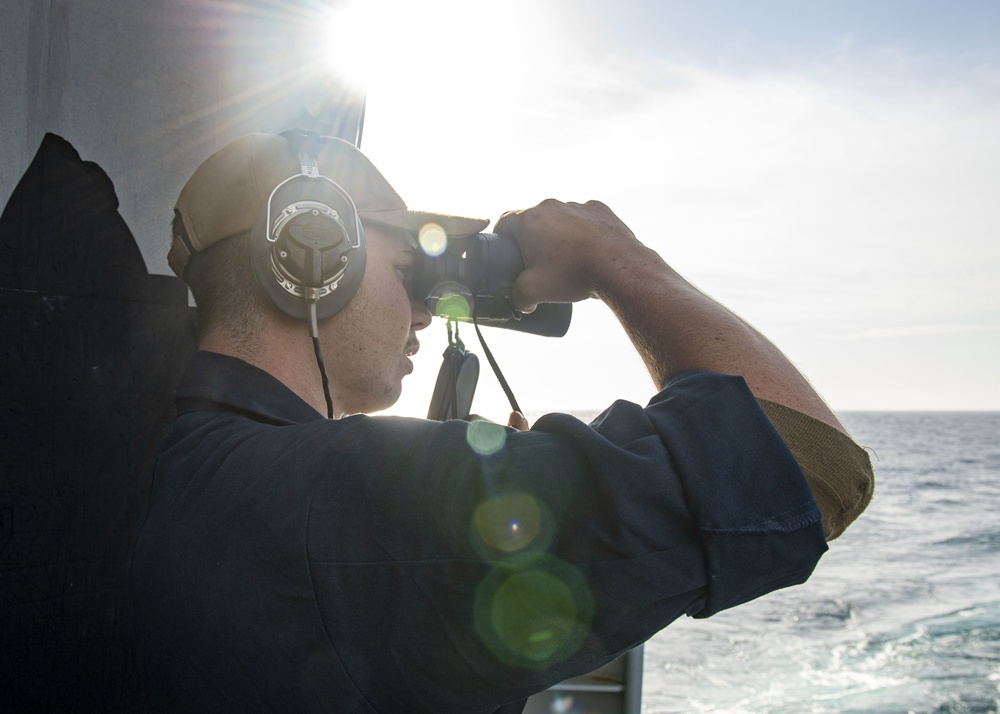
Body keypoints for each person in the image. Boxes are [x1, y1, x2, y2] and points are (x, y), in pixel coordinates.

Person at [131, 132, 874, 713]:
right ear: (312, 259)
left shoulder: (189, 464)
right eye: (404, 271)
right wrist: (616, 257)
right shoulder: (334, 497)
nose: (426, 309)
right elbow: (813, 462)